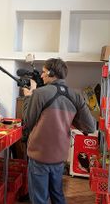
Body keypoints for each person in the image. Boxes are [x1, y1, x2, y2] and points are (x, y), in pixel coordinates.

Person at [22, 58, 96, 204]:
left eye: (43, 72)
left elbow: (27, 122)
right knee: (57, 194)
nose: (42, 76)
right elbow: (90, 127)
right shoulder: (75, 96)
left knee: (39, 198)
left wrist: (28, 98)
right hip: (60, 156)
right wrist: (71, 119)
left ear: (50, 72)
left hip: (40, 155)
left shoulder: (39, 93)